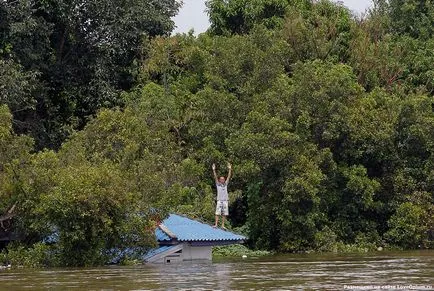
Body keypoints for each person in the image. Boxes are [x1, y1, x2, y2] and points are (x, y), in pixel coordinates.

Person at [212, 162, 232, 229]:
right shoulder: (218, 184)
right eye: (221, 179)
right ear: (220, 180)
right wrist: (214, 170)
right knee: (217, 212)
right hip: (219, 200)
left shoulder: (225, 184)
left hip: (225, 200)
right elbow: (215, 177)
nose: (222, 180)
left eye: (223, 179)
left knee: (224, 213)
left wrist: (229, 169)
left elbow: (229, 177)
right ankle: (216, 224)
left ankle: (223, 225)